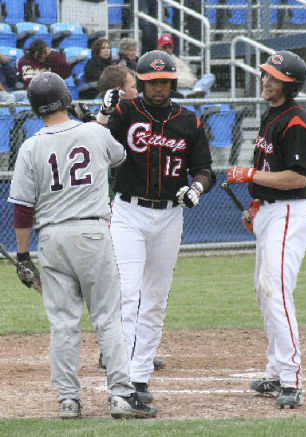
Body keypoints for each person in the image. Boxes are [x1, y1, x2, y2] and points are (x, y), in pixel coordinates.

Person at [7, 71, 157, 420]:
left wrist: (24, 256)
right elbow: (119, 157)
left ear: (34, 107)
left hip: (52, 239)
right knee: (107, 318)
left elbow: (22, 209)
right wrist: (94, 118)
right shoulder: (92, 131)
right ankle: (120, 395)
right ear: (66, 97)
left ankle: (68, 400)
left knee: (62, 324)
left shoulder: (31, 146)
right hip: (91, 233)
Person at [101, 50, 215, 402]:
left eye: (164, 81)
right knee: (128, 294)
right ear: (143, 82)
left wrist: (196, 188)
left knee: (155, 300)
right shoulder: (125, 112)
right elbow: (95, 143)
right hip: (129, 212)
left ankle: (139, 377)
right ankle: (121, 377)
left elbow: (205, 169)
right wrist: (103, 114)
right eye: (151, 82)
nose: (158, 88)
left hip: (169, 216)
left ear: (172, 82)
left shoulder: (188, 120)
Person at [226, 51, 306, 409]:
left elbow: (296, 177)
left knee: (275, 291)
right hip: (270, 211)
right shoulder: (272, 115)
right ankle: (277, 372)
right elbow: (268, 169)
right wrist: (256, 203)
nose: (265, 80)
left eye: (273, 77)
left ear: (289, 84)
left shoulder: (297, 123)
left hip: (290, 212)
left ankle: (291, 379)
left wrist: (249, 176)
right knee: (265, 292)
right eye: (265, 74)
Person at [96, 64, 164, 371]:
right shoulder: (106, 122)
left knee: (133, 287)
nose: (138, 91)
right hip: (110, 212)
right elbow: (98, 135)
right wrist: (102, 112)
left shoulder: (133, 120)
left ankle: (131, 345)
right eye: (133, 87)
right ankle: (111, 348)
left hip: (119, 211)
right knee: (121, 287)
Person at [157, 34, 215, 98]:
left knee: (210, 76)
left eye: (170, 47)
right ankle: (194, 94)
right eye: (164, 47)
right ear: (158, 48)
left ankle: (196, 92)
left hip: (191, 89)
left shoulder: (178, 60)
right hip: (175, 92)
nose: (167, 49)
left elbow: (191, 75)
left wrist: (193, 83)